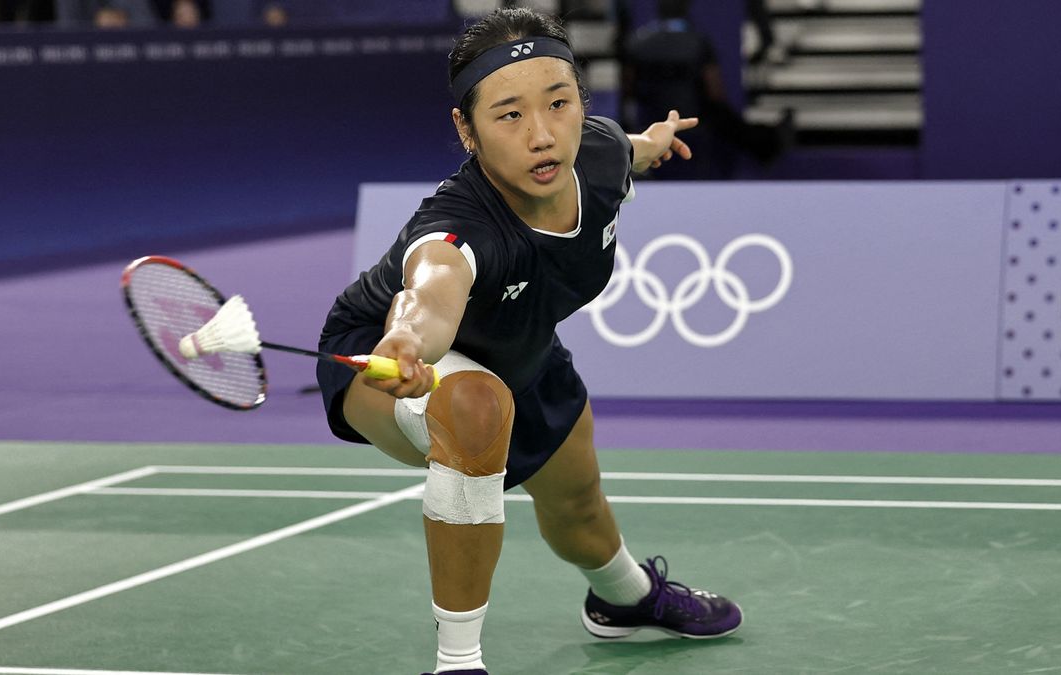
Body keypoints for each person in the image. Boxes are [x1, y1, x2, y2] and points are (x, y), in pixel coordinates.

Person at [315, 7, 741, 674]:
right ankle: (458, 661)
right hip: (387, 353)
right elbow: (430, 289)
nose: (543, 135)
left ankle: (624, 599)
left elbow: (625, 148)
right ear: (467, 130)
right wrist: (406, 340)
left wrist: (654, 141)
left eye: (558, 103)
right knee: (477, 410)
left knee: (578, 503)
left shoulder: (596, 152)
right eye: (509, 115)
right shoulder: (457, 228)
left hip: (521, 346)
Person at [622, 0, 792, 179]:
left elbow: (628, 89)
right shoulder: (698, 42)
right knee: (725, 119)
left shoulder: (637, 44)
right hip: (693, 124)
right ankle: (770, 142)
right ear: (685, 8)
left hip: (652, 122)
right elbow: (715, 92)